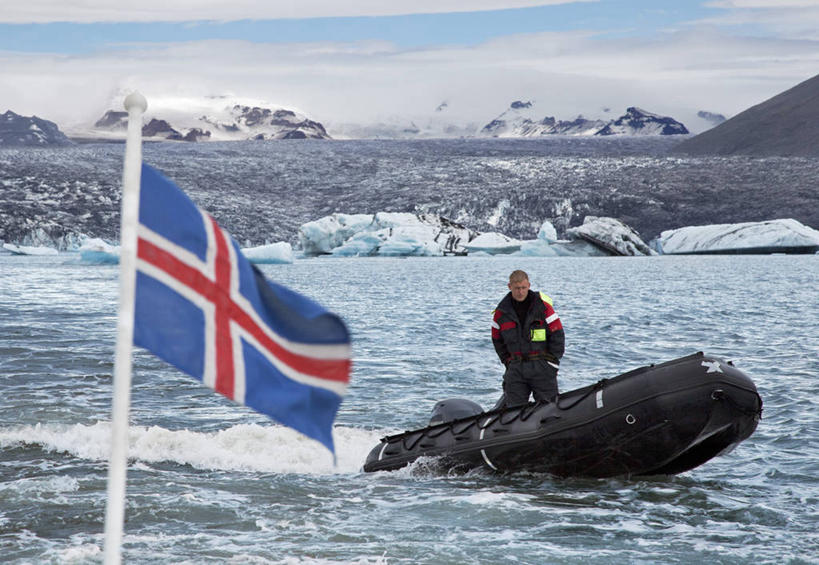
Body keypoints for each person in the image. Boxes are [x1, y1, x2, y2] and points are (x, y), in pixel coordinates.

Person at [491, 270, 565, 407]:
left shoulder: (544, 308)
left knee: (549, 409)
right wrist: (508, 362)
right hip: (516, 369)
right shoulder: (501, 313)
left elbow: (558, 335)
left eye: (523, 288)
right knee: (513, 412)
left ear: (529, 285)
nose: (520, 292)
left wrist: (551, 362)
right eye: (517, 288)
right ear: (509, 287)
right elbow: (497, 340)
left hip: (542, 367)